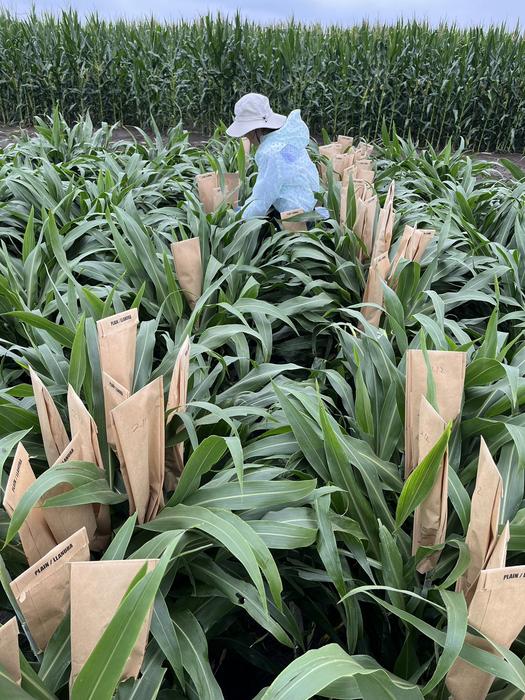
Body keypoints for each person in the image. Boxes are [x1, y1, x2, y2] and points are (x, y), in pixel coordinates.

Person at [226, 93, 328, 220]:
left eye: (247, 134)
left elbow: (261, 199)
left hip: (294, 218)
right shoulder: (285, 140)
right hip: (310, 207)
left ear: (255, 130)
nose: (248, 140)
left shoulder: (271, 153)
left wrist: (236, 218)